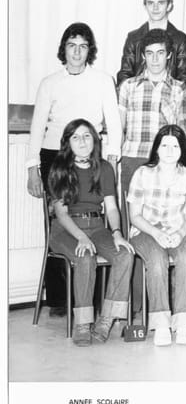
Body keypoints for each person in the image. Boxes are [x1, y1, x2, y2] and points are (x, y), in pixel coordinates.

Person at [27, 23, 123, 317]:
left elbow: (113, 121)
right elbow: (37, 125)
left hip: (89, 152)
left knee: (94, 220)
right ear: (64, 49)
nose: (77, 52)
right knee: (59, 223)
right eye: (72, 45)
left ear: (89, 50)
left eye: (83, 46)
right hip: (55, 155)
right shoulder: (50, 82)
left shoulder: (102, 80)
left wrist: (112, 157)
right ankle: (59, 299)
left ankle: (91, 300)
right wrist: (32, 167)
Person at [46, 119, 134, 346]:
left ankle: (106, 319)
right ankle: (83, 323)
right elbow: (61, 214)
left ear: (94, 140)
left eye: (86, 136)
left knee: (125, 254)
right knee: (85, 256)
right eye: (75, 137)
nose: (82, 141)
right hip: (66, 229)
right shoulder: (59, 168)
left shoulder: (104, 168)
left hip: (96, 226)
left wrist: (117, 233)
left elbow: (111, 208)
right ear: (68, 142)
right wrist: (81, 237)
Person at [127, 125, 186, 346]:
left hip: (179, 230)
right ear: (156, 148)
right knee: (157, 261)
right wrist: (155, 232)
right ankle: (161, 325)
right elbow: (134, 216)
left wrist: (180, 233)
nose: (169, 151)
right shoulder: (142, 173)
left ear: (182, 149)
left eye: (175, 146)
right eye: (164, 145)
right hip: (146, 230)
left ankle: (183, 324)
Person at [118, 29, 186, 195]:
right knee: (131, 208)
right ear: (143, 56)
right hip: (133, 157)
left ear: (169, 55)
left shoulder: (179, 88)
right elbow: (119, 127)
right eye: (150, 53)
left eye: (160, 53)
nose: (155, 59)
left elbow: (181, 131)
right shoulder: (128, 86)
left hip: (164, 160)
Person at [117, 0, 186, 89]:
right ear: (145, 6)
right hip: (138, 95)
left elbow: (184, 77)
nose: (155, 8)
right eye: (151, 3)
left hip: (170, 96)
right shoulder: (133, 38)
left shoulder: (180, 39)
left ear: (169, 6)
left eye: (160, 3)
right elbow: (125, 73)